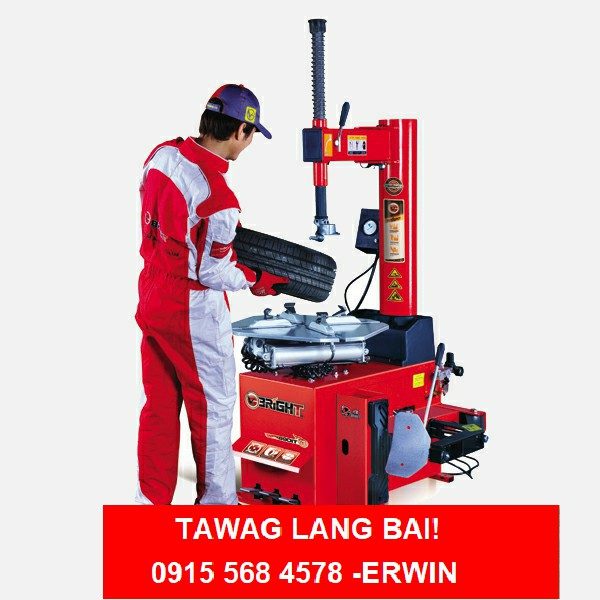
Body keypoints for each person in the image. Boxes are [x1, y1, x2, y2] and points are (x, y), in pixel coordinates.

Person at [135, 84, 288, 505]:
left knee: (159, 406)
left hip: (152, 291)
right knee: (214, 408)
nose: (249, 145)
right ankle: (217, 507)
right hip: (193, 309)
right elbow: (211, 271)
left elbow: (162, 213)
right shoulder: (219, 199)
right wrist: (256, 279)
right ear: (240, 130)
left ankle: (149, 505)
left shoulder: (162, 155)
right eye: (251, 136)